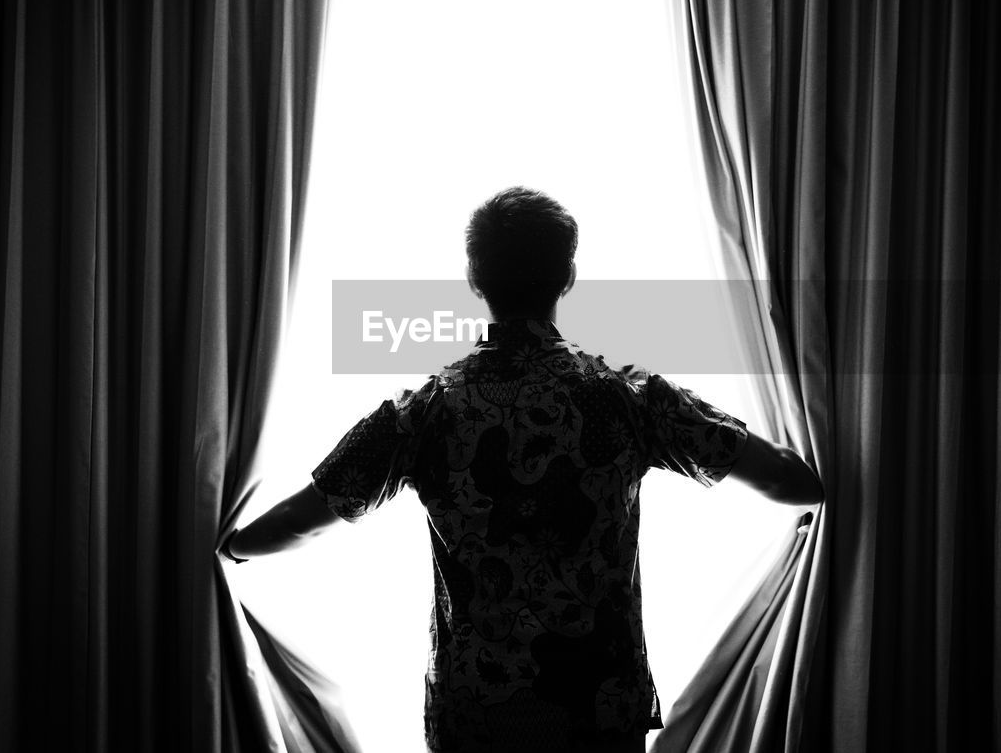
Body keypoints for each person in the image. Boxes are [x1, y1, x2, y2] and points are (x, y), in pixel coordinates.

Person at [222, 187, 823, 753]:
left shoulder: (426, 411)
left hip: (477, 707)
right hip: (599, 705)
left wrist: (230, 547)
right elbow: (787, 481)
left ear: (473, 280)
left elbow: (306, 515)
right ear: (568, 277)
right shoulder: (632, 398)